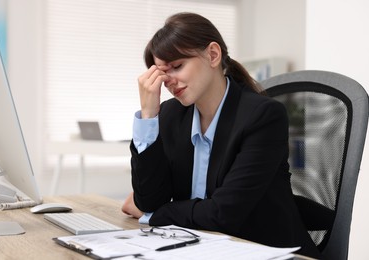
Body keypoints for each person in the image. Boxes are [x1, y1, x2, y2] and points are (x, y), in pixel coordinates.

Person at [121, 12, 320, 258]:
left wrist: (154, 215)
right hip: (198, 247)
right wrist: (149, 116)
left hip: (263, 251)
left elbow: (223, 214)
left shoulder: (263, 116)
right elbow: (149, 200)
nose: (168, 81)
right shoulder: (172, 114)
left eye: (177, 66)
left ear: (212, 55)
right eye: (162, 72)